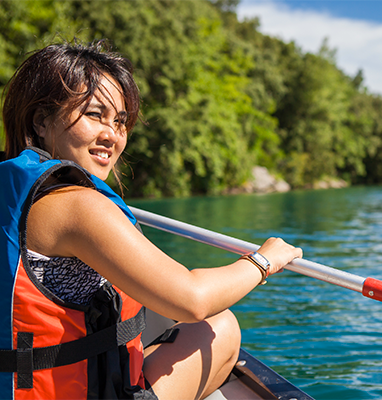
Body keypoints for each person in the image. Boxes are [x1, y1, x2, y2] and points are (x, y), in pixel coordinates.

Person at [0, 40, 302, 400]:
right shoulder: (75, 206)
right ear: (41, 120)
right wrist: (265, 260)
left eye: (120, 121)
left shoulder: (16, 191)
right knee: (219, 328)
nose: (112, 135)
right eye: (95, 115)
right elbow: (192, 299)